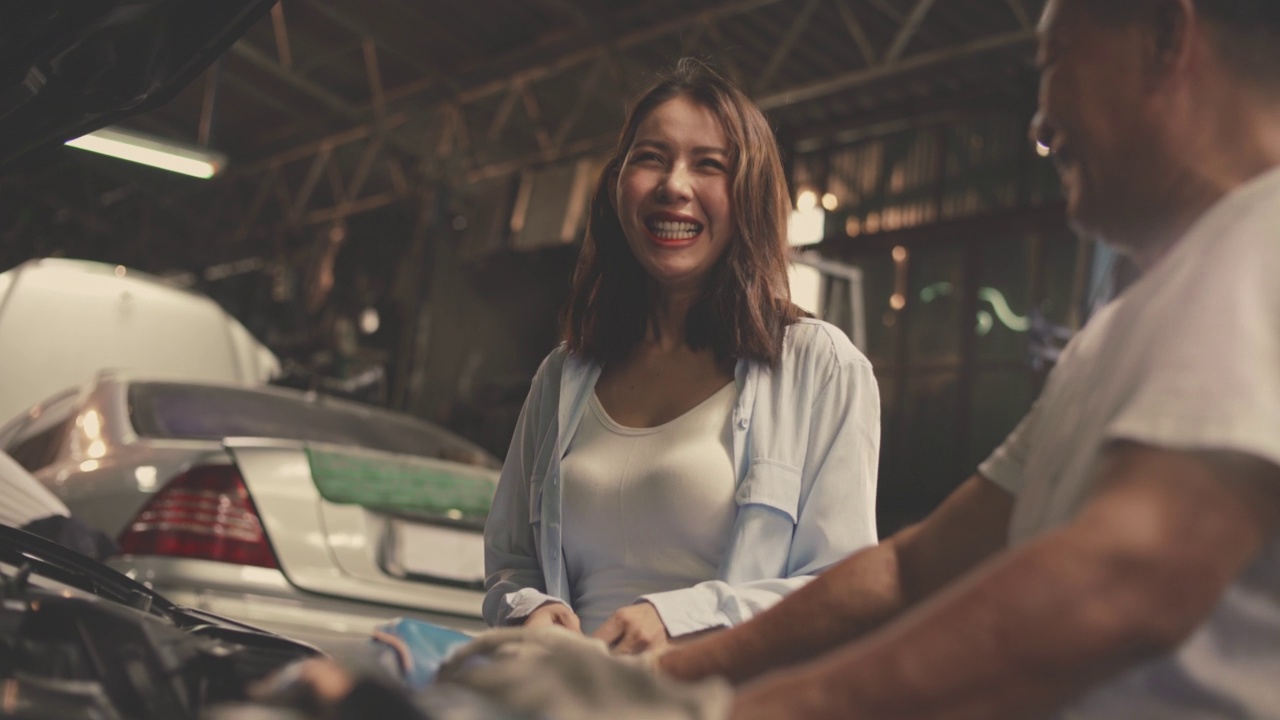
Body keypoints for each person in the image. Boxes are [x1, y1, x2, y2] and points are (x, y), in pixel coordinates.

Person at [654, 0, 1280, 717]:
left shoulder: (1265, 243)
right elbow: (908, 571)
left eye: (1053, 63)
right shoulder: (1116, 337)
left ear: (1168, 36)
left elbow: (1122, 581)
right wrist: (665, 677)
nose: (1040, 123)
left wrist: (741, 712)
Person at [483, 59, 880, 655]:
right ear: (618, 185)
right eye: (650, 157)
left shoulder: (821, 369)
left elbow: (840, 591)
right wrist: (531, 610)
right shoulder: (563, 377)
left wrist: (685, 617)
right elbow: (512, 564)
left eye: (709, 165)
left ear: (748, 196)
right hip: (567, 698)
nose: (675, 184)